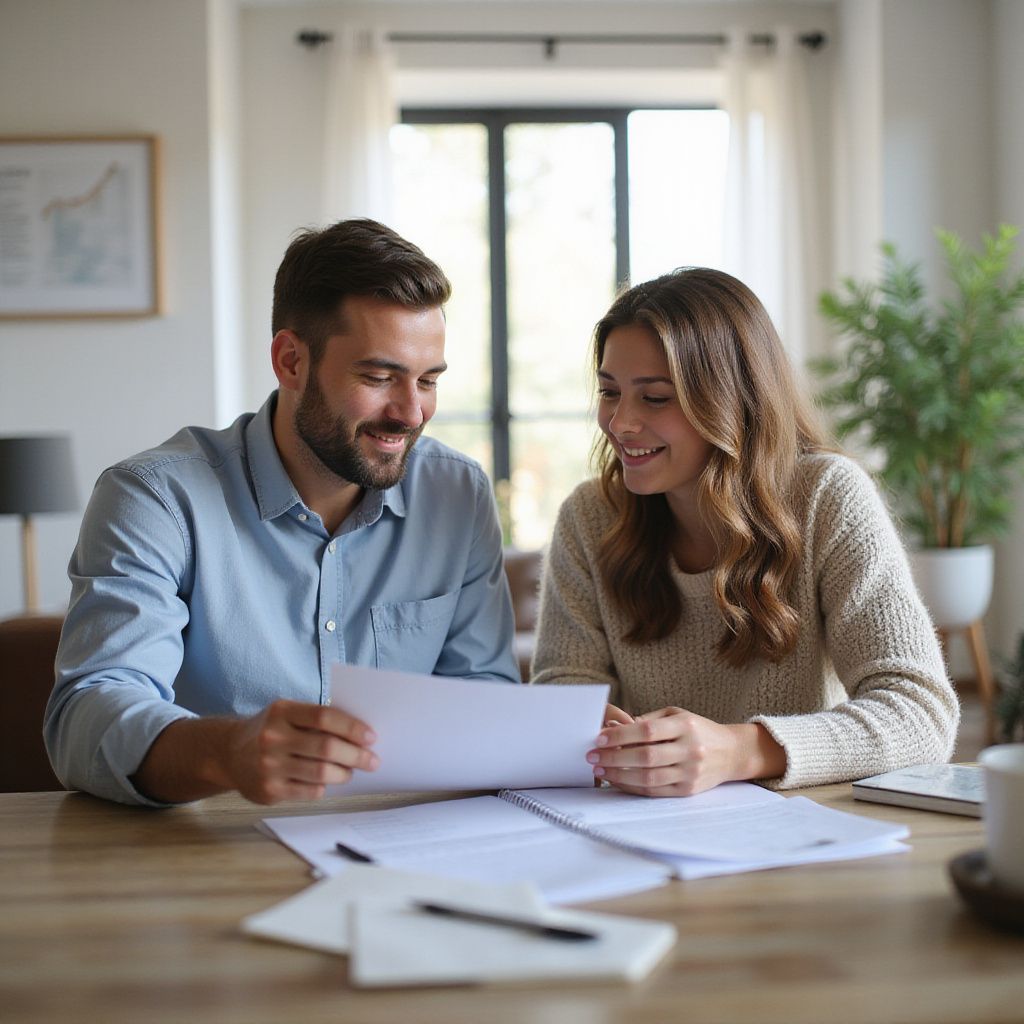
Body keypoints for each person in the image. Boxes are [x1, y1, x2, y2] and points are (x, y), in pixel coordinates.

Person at [45, 219, 519, 808]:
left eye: (428, 381)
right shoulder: (154, 497)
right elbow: (88, 714)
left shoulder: (457, 494)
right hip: (210, 853)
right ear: (291, 361)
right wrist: (226, 751)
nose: (411, 413)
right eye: (378, 377)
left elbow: (485, 696)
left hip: (402, 846)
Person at [532, 267, 959, 796]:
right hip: (639, 822)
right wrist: (586, 730)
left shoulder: (828, 497)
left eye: (656, 397)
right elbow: (561, 692)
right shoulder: (589, 517)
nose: (620, 423)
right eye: (609, 391)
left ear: (733, 400)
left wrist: (736, 751)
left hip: (799, 833)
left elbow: (921, 715)